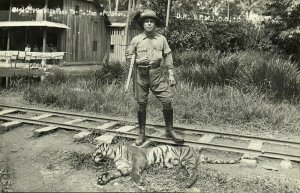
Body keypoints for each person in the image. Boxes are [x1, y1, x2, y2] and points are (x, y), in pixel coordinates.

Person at [126, 10, 184, 146]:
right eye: (147, 21)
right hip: (140, 75)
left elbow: (168, 55)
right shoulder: (136, 40)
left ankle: (169, 130)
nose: (149, 24)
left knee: (167, 100)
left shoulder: (161, 39)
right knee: (141, 104)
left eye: (152, 21)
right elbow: (128, 57)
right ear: (143, 24)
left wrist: (170, 73)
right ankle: (141, 133)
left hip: (156, 74)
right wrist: (137, 62)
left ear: (155, 24)